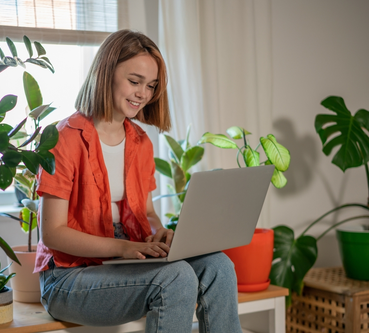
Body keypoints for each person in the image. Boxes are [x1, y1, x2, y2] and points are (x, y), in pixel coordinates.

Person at [35, 29, 242, 333]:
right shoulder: (63, 138)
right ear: (106, 73)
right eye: (135, 81)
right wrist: (123, 247)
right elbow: (52, 234)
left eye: (151, 85)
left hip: (124, 260)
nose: (143, 94)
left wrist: (161, 233)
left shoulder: (141, 142)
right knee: (177, 277)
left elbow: (147, 214)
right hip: (68, 277)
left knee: (219, 267)